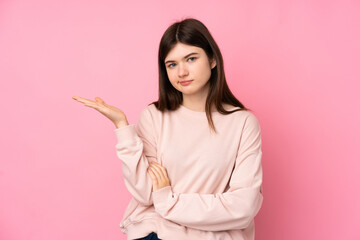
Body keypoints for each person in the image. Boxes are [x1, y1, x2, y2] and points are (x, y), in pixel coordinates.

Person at [73, 17, 263, 240]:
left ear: (212, 59)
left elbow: (243, 207)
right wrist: (122, 127)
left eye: (191, 59)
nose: (181, 72)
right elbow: (145, 194)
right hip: (157, 232)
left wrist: (167, 201)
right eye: (172, 64)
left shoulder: (242, 123)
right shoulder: (154, 116)